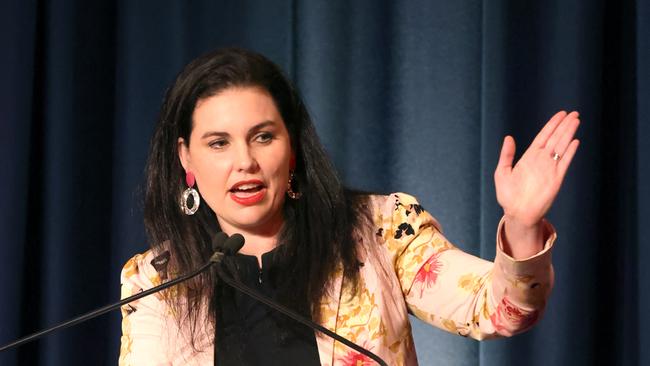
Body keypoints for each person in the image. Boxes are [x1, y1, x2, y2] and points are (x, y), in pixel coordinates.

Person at [119, 48, 580, 366]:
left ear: (292, 145)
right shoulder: (157, 280)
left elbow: (495, 307)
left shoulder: (381, 230)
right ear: (186, 158)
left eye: (263, 136)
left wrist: (522, 225)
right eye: (218, 143)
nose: (245, 162)